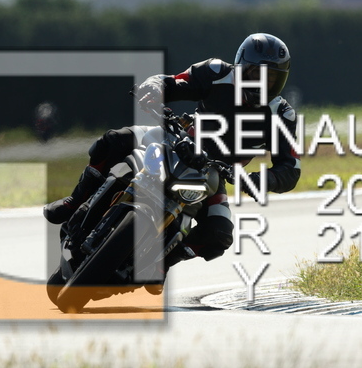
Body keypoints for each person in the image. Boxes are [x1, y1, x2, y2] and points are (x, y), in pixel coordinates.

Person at [44, 32, 301, 271]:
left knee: (220, 234)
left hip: (214, 175)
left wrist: (255, 180)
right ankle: (75, 202)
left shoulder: (282, 115)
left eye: (273, 77)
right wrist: (153, 89)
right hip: (177, 140)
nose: (263, 83)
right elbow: (172, 81)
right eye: (257, 74)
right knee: (113, 140)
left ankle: (161, 265)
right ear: (241, 66)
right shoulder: (216, 72)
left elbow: (290, 169)